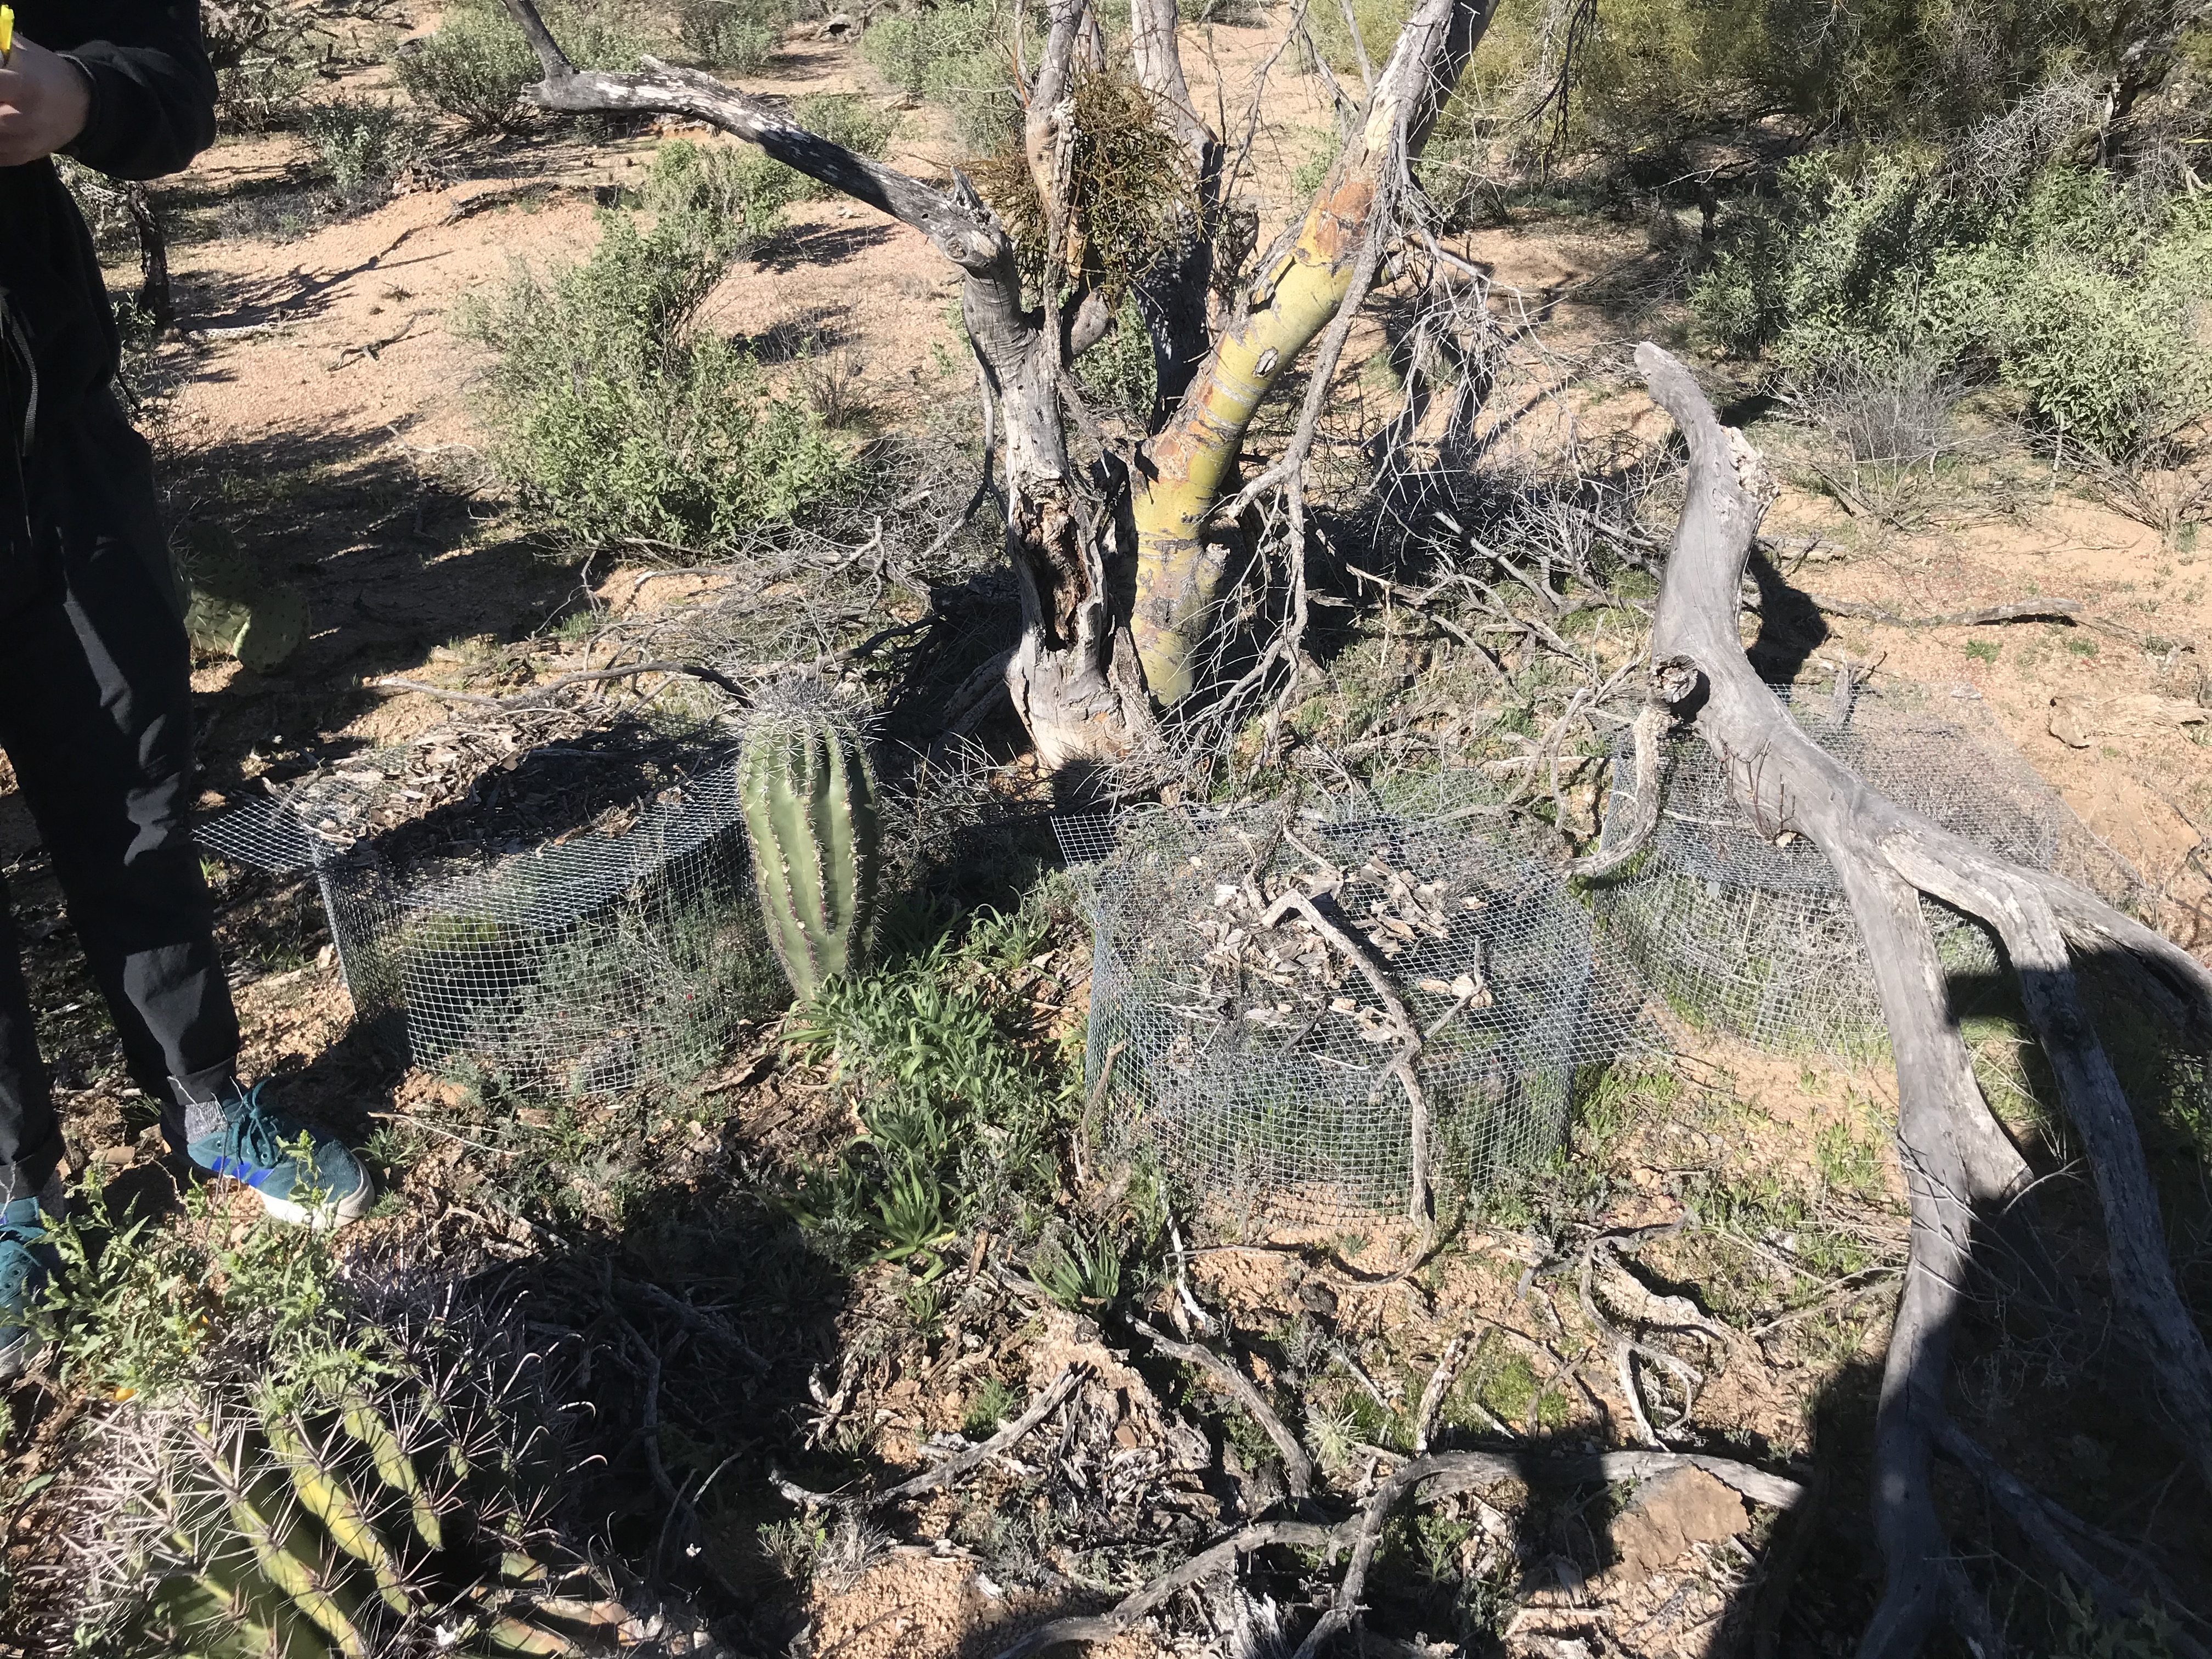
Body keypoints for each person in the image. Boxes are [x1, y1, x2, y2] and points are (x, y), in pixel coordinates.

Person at [0, 2, 373, 1380]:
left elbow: (169, 72)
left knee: (133, 800)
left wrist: (79, 96)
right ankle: (12, 1193)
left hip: (61, 470)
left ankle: (208, 1103)